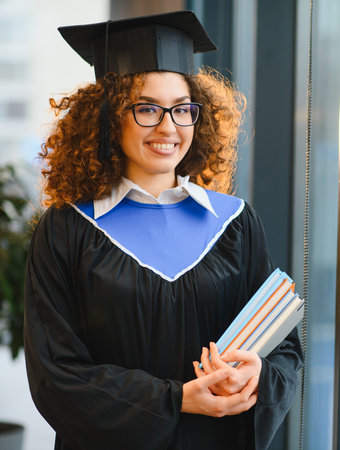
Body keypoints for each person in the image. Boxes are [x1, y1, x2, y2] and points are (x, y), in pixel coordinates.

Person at [24, 11, 303, 450]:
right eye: (147, 108)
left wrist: (258, 374)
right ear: (108, 116)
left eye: (182, 109)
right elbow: (55, 373)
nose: (169, 127)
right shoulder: (67, 230)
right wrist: (177, 400)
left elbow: (285, 348)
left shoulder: (234, 222)